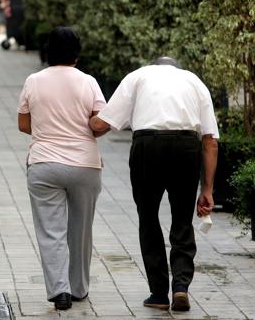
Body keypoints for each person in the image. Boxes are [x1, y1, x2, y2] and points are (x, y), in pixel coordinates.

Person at [89, 57, 219, 312]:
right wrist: (207, 190)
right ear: (176, 68)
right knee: (182, 219)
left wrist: (84, 119)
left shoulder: (138, 76)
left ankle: (159, 293)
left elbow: (102, 125)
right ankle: (180, 287)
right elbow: (210, 141)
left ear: (153, 65)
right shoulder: (194, 81)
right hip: (185, 146)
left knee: (148, 217)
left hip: (147, 145)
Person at [17, 27, 107, 310]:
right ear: (77, 55)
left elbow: (23, 124)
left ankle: (60, 292)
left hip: (44, 164)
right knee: (80, 230)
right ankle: (79, 288)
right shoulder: (89, 82)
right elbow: (100, 122)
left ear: (48, 52)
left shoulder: (33, 80)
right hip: (85, 165)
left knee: (51, 230)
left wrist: (47, 129)